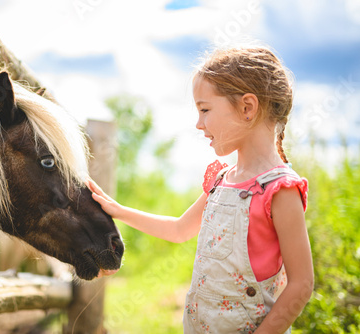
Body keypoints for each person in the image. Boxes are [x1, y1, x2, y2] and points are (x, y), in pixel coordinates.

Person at [86, 46, 314, 333]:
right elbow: (180, 229)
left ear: (247, 108)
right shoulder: (221, 180)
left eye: (205, 109)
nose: (198, 123)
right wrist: (118, 211)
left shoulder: (279, 189)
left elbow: (302, 284)